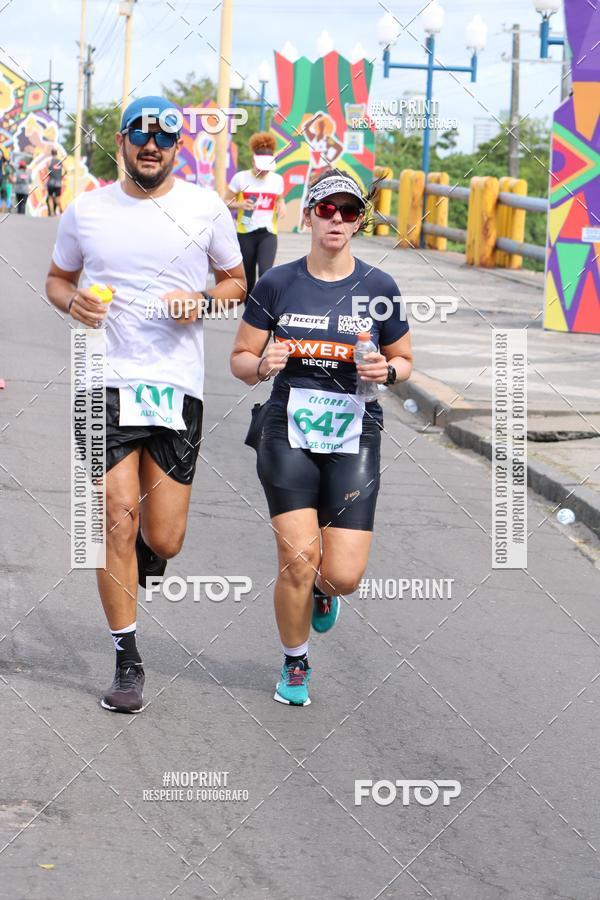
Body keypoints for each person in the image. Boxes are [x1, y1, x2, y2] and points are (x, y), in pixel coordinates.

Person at [46, 95, 246, 714]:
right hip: (102, 380)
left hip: (174, 386)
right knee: (116, 517)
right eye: (140, 134)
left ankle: (146, 556)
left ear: (178, 146)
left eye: (163, 136)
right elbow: (57, 279)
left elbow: (237, 283)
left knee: (165, 536)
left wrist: (204, 301)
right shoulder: (86, 211)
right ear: (122, 142)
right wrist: (73, 302)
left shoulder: (205, 207)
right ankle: (127, 659)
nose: (151, 145)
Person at [230, 169, 413, 707]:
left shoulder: (380, 288)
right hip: (287, 427)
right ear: (308, 215)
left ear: (359, 221)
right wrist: (262, 364)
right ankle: (295, 661)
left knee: (342, 574)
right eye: (327, 209)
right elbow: (239, 359)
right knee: (297, 557)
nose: (337, 219)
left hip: (356, 430)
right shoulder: (277, 283)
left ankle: (323, 590)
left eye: (348, 211)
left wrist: (388, 371)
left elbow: (404, 360)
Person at [225, 132, 285, 295]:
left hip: (268, 233)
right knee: (248, 277)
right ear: (253, 161)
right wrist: (240, 204)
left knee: (266, 274)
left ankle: (262, 307)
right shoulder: (240, 178)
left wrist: (282, 204)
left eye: (267, 168)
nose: (264, 171)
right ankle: (249, 307)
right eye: (261, 167)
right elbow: (226, 202)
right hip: (245, 233)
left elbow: (280, 198)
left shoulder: (277, 180)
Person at [46, 148, 63, 216]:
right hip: (58, 183)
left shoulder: (49, 162)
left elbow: (47, 173)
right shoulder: (60, 162)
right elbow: (67, 170)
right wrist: (61, 176)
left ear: (51, 153)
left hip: (51, 182)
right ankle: (61, 210)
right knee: (57, 199)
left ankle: (52, 212)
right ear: (57, 153)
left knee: (50, 197)